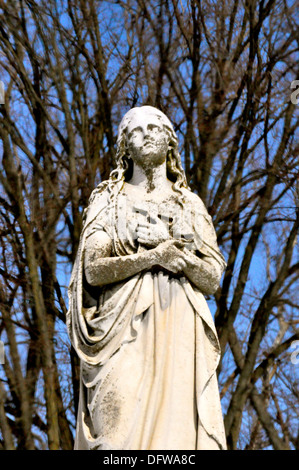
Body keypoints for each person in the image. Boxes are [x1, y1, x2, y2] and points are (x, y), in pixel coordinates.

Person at [67, 105, 227, 450]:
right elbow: (93, 270)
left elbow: (212, 278)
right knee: (116, 438)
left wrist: (178, 257)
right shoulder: (109, 201)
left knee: (178, 441)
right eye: (137, 130)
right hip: (120, 330)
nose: (147, 134)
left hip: (180, 328)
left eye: (156, 127)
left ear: (170, 141)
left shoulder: (190, 205)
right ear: (126, 145)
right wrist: (152, 257)